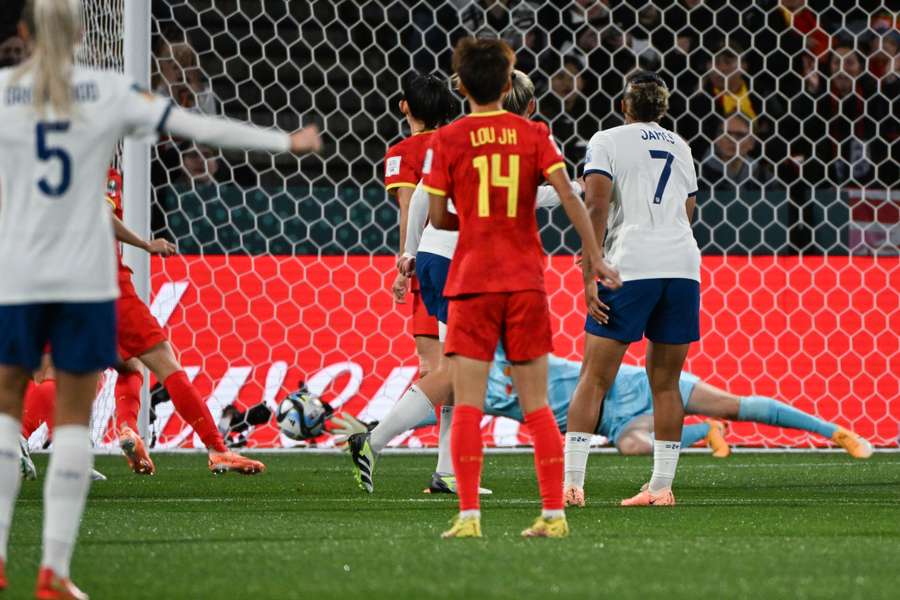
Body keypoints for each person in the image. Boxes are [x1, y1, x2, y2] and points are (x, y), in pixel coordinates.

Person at [0, 1, 321, 596]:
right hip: (84, 276)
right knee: (73, 419)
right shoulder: (105, 89)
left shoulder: (5, 92)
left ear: (23, 34)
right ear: (80, 38)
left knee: (7, 406)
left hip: (16, 270)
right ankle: (53, 574)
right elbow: (199, 125)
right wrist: (284, 141)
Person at [349, 70, 579, 496]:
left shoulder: (457, 134)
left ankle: (446, 470)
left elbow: (420, 194)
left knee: (456, 370)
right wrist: (578, 190)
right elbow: (531, 196)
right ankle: (373, 440)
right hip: (465, 261)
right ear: (527, 108)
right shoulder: (514, 141)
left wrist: (410, 252)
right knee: (459, 370)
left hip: (437, 257)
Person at [423, 37, 618, 539]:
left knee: (467, 402)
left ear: (460, 85)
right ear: (510, 84)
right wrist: (594, 255)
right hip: (525, 282)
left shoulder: (445, 141)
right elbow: (573, 197)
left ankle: (468, 517)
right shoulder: (534, 134)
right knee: (536, 405)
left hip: (471, 282)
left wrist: (471, 211)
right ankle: (553, 514)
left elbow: (440, 217)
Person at [564, 70, 699, 510]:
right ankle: (661, 487)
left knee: (594, 377)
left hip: (631, 264)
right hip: (682, 266)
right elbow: (688, 209)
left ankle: (571, 485)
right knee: (666, 383)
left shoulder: (607, 139)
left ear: (625, 106)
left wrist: (591, 268)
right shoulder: (681, 146)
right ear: (663, 109)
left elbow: (596, 202)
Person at [383, 72, 455, 383]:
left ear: (404, 106)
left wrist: (403, 263)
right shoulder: (460, 143)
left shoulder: (401, 153)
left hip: (430, 259)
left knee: (433, 369)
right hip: (468, 255)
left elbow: (410, 207)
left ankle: (449, 433)